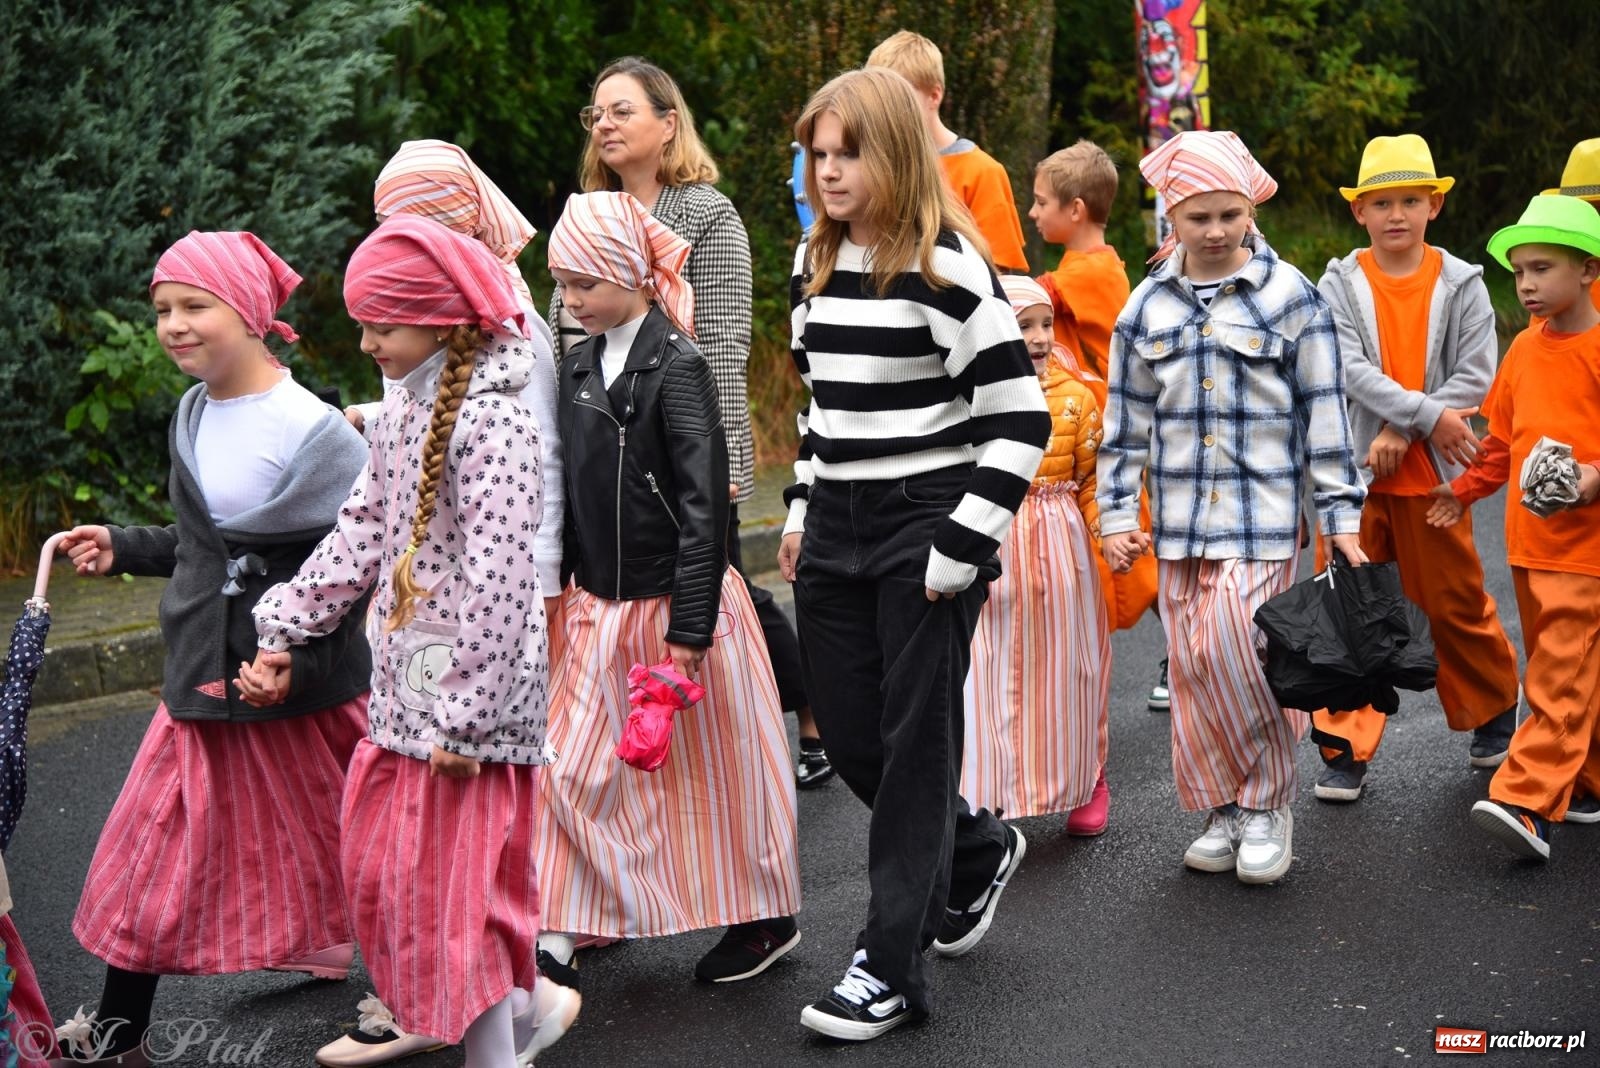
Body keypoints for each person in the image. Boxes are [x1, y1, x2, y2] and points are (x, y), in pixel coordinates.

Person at [246, 214, 578, 1068]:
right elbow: (361, 533)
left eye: (380, 326)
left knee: (449, 903)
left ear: (438, 319)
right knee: (400, 886)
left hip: (467, 723)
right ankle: (524, 1009)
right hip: (406, 705)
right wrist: (286, 617)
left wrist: (465, 722)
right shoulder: (402, 415)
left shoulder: (496, 427)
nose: (364, 343)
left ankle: (498, 1047)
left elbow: (503, 586)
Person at [49, 232, 372, 1067]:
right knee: (150, 851)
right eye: (162, 309)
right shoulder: (191, 413)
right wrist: (124, 545)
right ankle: (123, 1030)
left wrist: (295, 662)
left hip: (301, 690)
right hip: (199, 682)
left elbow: (351, 573)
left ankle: (435, 989)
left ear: (252, 314)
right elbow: (208, 545)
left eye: (195, 306)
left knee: (362, 846)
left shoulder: (320, 435)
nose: (173, 326)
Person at [779, 67, 1050, 1042]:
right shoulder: (812, 268)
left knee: (916, 747)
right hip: (837, 530)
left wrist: (959, 544)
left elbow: (1019, 418)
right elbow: (822, 415)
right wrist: (802, 507)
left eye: (849, 151)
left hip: (927, 523)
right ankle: (974, 852)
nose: (830, 170)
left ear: (897, 151)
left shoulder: (945, 267)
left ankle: (888, 968)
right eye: (818, 153)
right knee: (854, 737)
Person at [535, 190, 802, 988]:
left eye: (583, 284)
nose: (570, 301)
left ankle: (764, 919)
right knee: (568, 767)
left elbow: (701, 507)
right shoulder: (577, 363)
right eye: (561, 285)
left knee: (720, 775)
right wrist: (565, 589)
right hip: (599, 607)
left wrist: (690, 629)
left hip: (681, 613)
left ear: (629, 274)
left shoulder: (678, 364)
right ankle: (563, 923)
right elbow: (576, 496)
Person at [1097, 130, 1367, 886]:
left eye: (1228, 215)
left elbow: (1326, 415)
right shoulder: (1144, 308)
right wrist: (1116, 516)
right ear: (1170, 221)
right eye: (1197, 218)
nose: (1215, 231)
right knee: (1191, 668)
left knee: (1241, 655)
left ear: (1249, 210)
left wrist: (1342, 519)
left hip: (1265, 517)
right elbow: (1122, 427)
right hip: (1180, 524)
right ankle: (1221, 806)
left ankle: (1268, 803)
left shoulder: (1293, 298)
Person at [557, 56, 830, 788]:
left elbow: (722, 344)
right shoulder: (588, 212)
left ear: (668, 122)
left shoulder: (707, 214)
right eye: (596, 114)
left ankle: (807, 713)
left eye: (622, 110)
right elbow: (565, 336)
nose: (604, 124)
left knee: (719, 585)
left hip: (685, 442)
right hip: (600, 447)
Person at [1307, 134, 1520, 802]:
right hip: (1353, 477)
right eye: (1381, 202)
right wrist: (1421, 417)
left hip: (1432, 480)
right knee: (1349, 611)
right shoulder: (1338, 283)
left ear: (1435, 206)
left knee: (1453, 600)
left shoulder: (1462, 284)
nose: (1396, 213)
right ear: (1359, 213)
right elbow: (1342, 367)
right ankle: (1344, 747)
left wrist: (1406, 425)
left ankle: (1492, 711)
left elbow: (1476, 374)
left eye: (1409, 200)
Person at [1425, 194, 1600, 859]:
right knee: (1580, 669)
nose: (1526, 284)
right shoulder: (1524, 349)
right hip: (1531, 545)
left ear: (1588, 269)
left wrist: (1592, 477)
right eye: (1519, 271)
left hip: (1585, 549)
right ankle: (1586, 783)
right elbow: (1501, 440)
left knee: (1557, 672)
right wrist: (1465, 490)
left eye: (1543, 268)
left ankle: (1526, 800)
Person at [960, 274, 1111, 835]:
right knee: (987, 667)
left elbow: (1092, 480)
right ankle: (989, 787)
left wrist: (1108, 531)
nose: (1041, 336)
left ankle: (1088, 777)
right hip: (993, 536)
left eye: (1046, 324)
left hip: (1058, 544)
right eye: (1025, 326)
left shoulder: (1076, 399)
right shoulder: (972, 398)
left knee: (1068, 664)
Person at [1028, 139, 1163, 708]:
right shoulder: (1094, 267)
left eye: (1040, 203)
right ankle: (1185, 650)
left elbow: (1026, 300)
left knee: (1129, 544)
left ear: (1075, 209)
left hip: (1105, 431)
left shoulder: (1084, 274)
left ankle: (1188, 650)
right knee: (1136, 544)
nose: (1033, 213)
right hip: (1107, 426)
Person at [866, 29, 1029, 273]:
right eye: (878, 97)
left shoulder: (982, 173)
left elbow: (997, 276)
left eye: (900, 97)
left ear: (934, 96)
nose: (886, 109)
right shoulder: (871, 165)